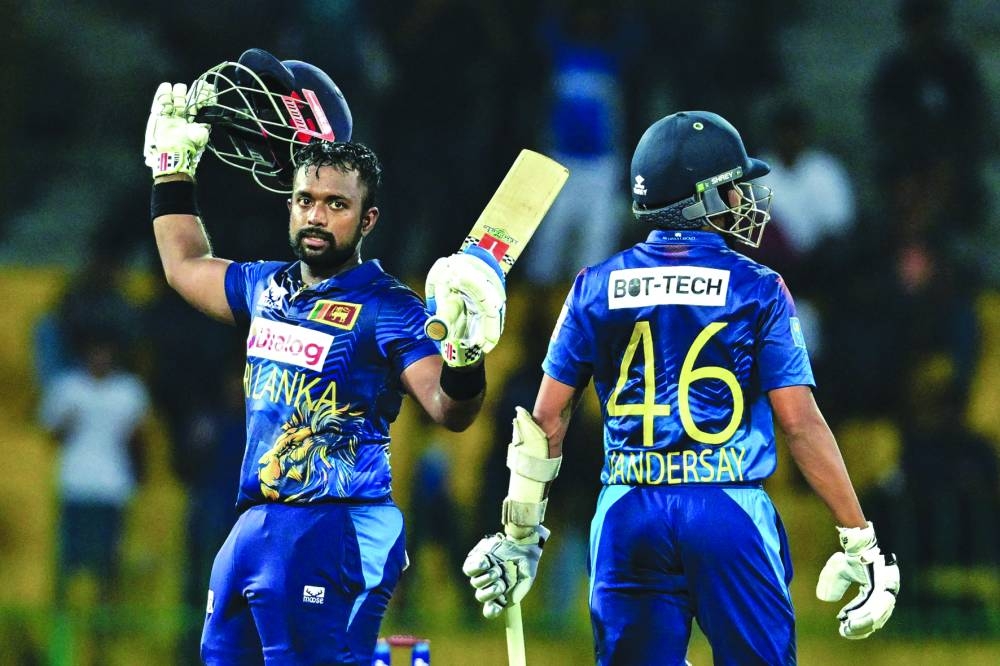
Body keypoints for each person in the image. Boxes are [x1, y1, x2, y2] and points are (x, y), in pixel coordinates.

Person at [462, 111, 900, 664]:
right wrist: (859, 537)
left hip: (626, 509)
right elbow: (800, 422)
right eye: (733, 187)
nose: (744, 200)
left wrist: (520, 536)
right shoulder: (758, 287)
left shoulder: (592, 285)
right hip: (726, 505)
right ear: (704, 199)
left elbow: (544, 424)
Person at [143, 57, 506, 664]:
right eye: (305, 200)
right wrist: (171, 171)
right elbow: (183, 264)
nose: (315, 215)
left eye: (335, 205)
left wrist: (466, 356)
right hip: (254, 524)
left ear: (367, 220)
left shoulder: (388, 306)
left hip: (334, 527)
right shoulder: (268, 288)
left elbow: (449, 408)